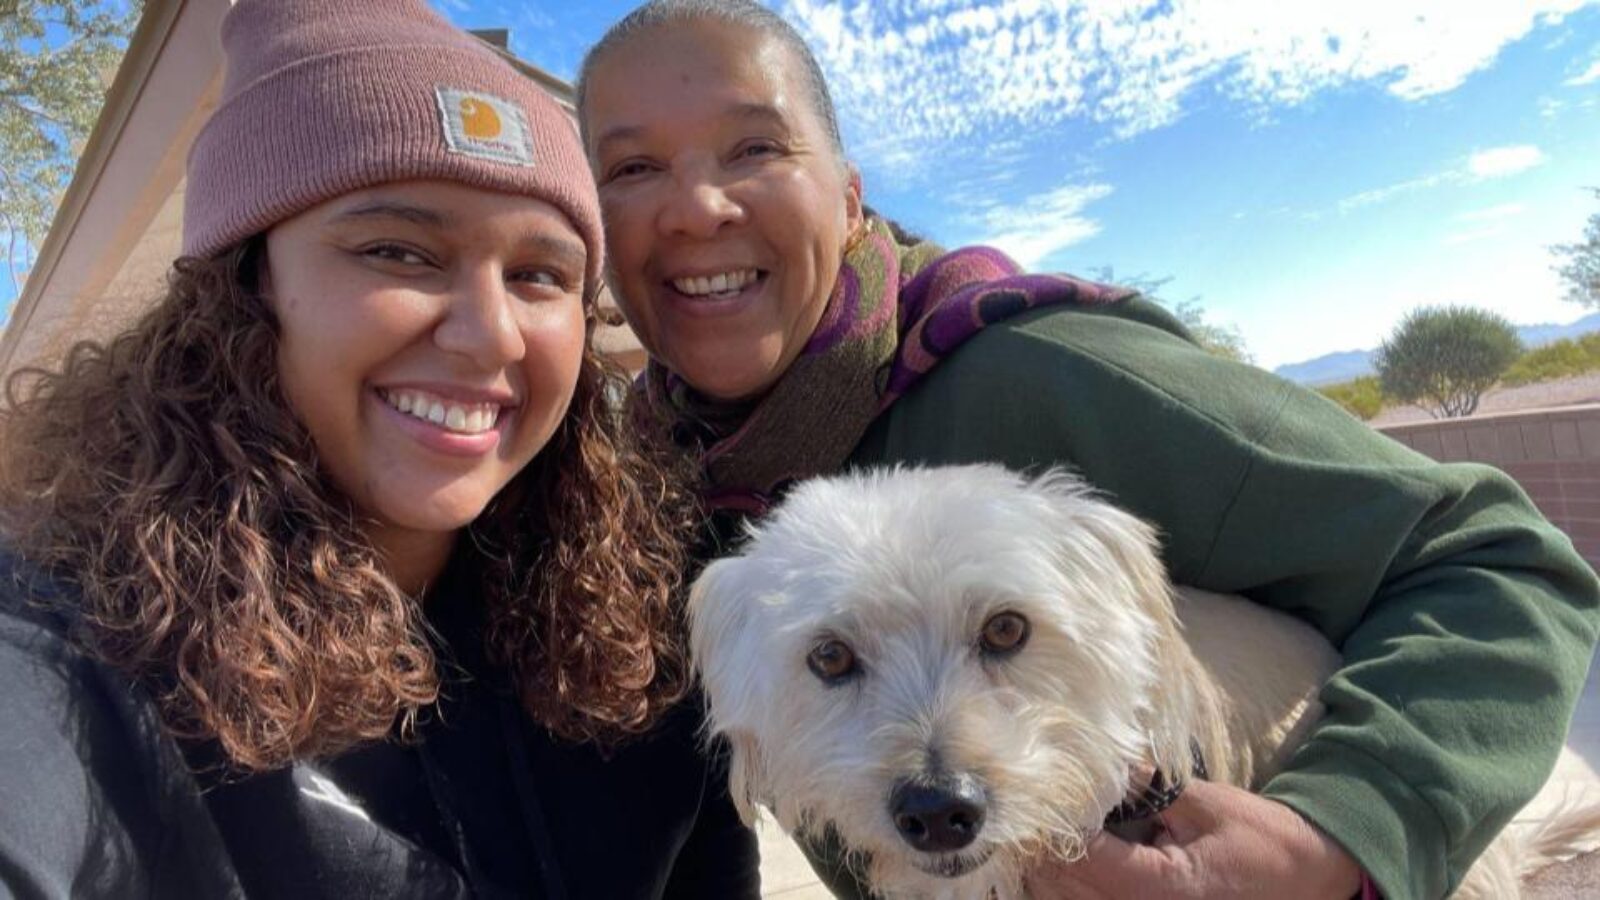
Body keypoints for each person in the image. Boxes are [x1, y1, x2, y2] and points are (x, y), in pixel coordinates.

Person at [573, 2, 1600, 898]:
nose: (698, 204)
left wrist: (1336, 835)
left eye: (753, 149)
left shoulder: (1045, 377)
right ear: (594, 232)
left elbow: (1494, 557)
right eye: (632, 166)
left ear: (847, 200)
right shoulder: (658, 493)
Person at [0, 1, 758, 897]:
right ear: (243, 289)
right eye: (399, 252)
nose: (492, 337)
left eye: (538, 275)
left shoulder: (650, 635)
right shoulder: (68, 647)